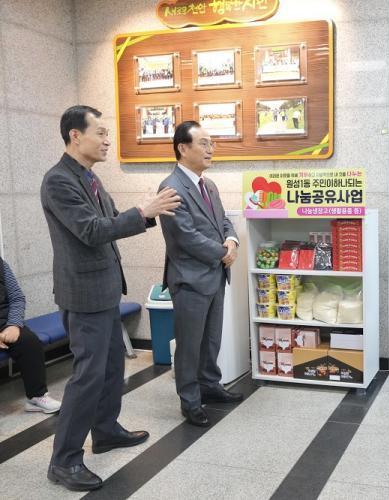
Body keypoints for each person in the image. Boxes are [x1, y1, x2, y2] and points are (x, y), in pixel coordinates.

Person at [41, 105, 181, 491]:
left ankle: (104, 430)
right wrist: (143, 211)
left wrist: (144, 213)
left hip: (103, 290)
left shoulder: (89, 177)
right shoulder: (58, 181)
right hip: (83, 294)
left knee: (110, 368)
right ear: (75, 136)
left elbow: (111, 221)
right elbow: (90, 230)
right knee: (88, 377)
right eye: (100, 133)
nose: (107, 141)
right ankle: (64, 461)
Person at [158, 121, 242, 428]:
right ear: (183, 148)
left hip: (214, 274)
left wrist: (231, 240)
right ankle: (190, 400)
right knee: (189, 344)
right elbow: (185, 236)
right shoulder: (171, 187)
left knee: (211, 339)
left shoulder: (209, 185)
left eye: (212, 143)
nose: (210, 149)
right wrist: (222, 253)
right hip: (190, 278)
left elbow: (224, 221)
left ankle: (209, 385)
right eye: (203, 143)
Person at [0, 257, 62, 414]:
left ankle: (37, 396)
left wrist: (14, 325)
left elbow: (17, 298)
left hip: (5, 323)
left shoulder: (1, 264)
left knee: (29, 342)